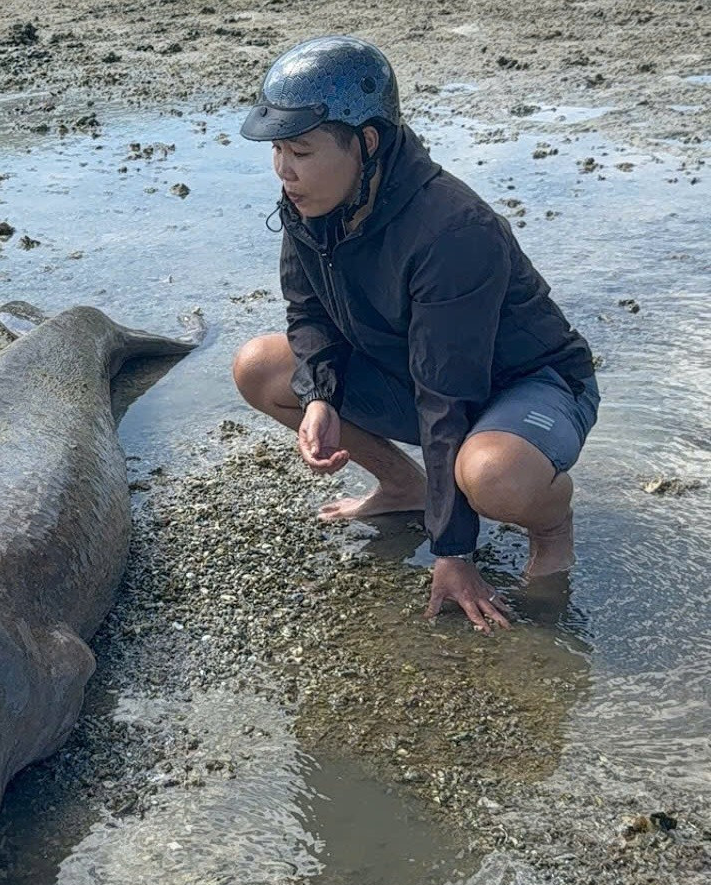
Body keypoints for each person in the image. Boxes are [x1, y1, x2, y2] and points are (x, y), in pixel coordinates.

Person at [233, 36, 600, 633]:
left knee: (492, 476)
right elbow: (308, 313)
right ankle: (403, 484)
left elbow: (446, 391)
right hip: (414, 369)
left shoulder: (451, 231)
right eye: (278, 149)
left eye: (300, 150)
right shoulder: (311, 203)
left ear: (367, 142)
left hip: (529, 384)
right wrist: (322, 395)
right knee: (262, 366)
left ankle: (551, 526)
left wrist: (452, 552)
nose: (284, 170)